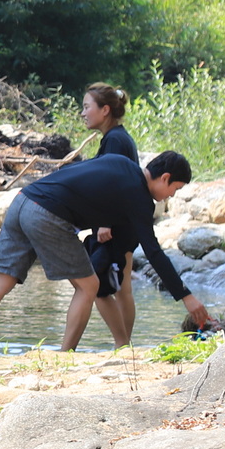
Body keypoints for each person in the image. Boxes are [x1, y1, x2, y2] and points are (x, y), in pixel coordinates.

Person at [0, 150, 216, 353]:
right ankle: (65, 355)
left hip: (24, 199)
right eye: (176, 188)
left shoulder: (120, 162)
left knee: (1, 281)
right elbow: (153, 252)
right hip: (46, 214)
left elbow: (85, 185)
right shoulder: (140, 198)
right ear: (165, 177)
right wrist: (186, 296)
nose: (172, 195)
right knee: (89, 286)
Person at [81, 83, 139, 346]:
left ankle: (122, 344)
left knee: (104, 287)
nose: (83, 113)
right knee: (123, 288)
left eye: (86, 107)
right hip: (125, 223)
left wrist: (104, 222)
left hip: (116, 226)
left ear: (105, 110)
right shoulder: (116, 137)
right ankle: (124, 344)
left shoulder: (115, 139)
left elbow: (114, 182)